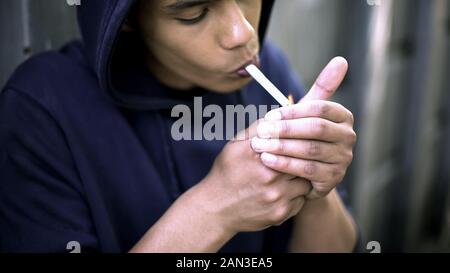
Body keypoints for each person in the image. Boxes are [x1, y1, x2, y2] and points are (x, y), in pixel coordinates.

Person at [0, 0, 358, 253]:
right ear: (126, 18)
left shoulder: (269, 73)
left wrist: (314, 177)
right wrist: (214, 210)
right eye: (195, 12)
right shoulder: (42, 108)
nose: (242, 32)